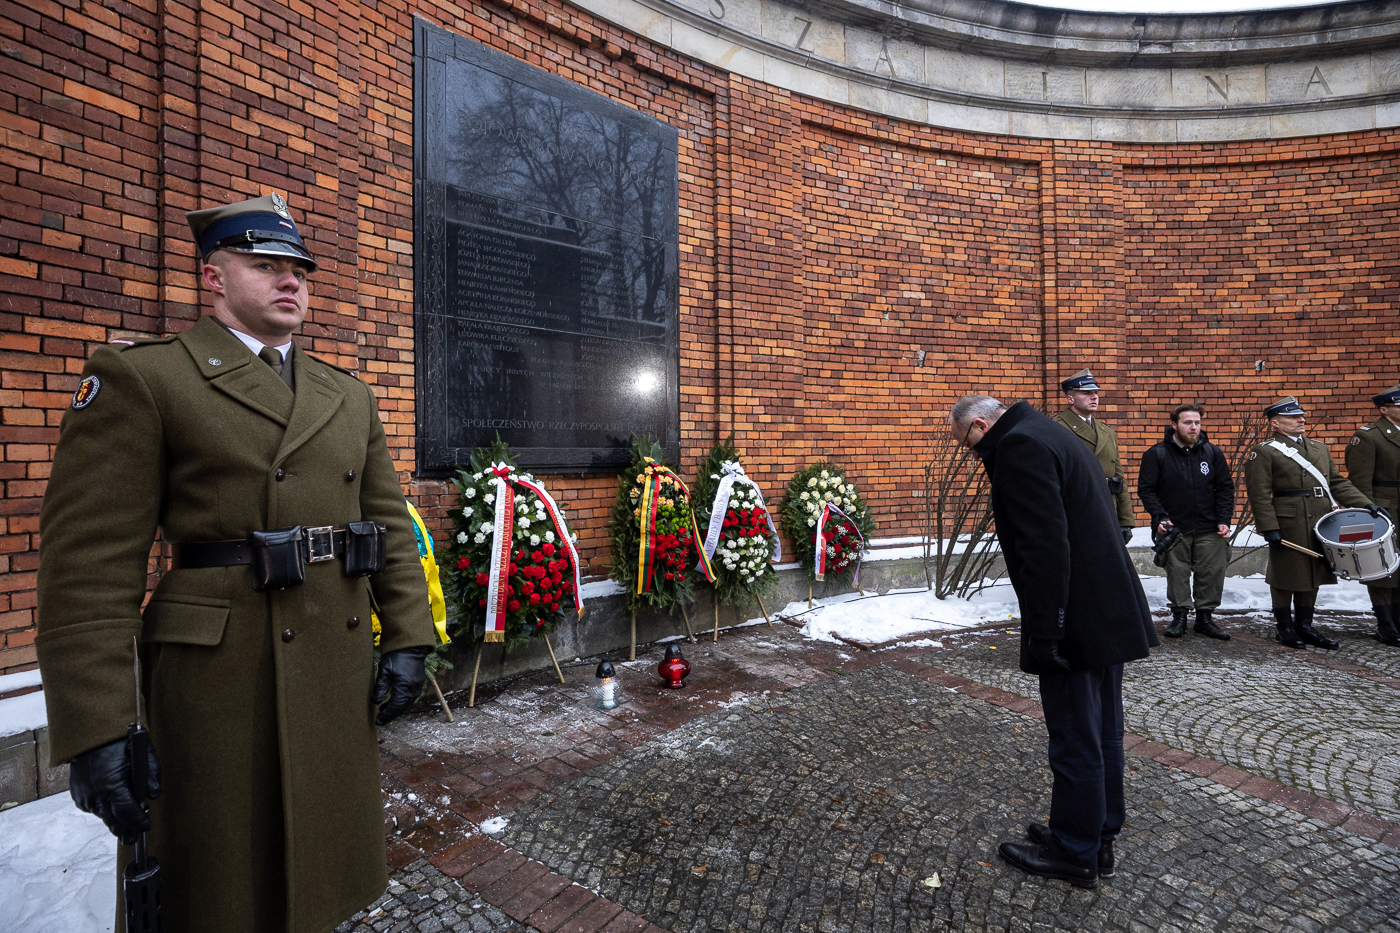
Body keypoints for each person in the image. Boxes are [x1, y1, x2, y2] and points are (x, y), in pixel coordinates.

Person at [35, 193, 437, 932]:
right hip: (219, 679)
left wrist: (410, 635)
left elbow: (385, 524)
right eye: (266, 265)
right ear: (213, 277)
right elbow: (89, 563)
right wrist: (96, 725)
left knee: (320, 870)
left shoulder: (346, 394)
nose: (292, 282)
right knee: (219, 883)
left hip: (331, 658)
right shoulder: (149, 377)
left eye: (300, 271)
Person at [951, 394, 1157, 890]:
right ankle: (1097, 833)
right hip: (1105, 609)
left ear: (980, 425)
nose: (972, 455)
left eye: (968, 444)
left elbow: (1044, 546)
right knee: (1103, 730)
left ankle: (1074, 851)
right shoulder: (1050, 432)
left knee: (1075, 736)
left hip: (1075, 619)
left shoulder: (1020, 447)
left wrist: (1046, 631)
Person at [1245, 396, 1379, 650]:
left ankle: (1305, 625)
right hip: (1288, 521)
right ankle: (1284, 626)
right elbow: (1259, 493)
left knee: (1314, 572)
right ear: (1275, 423)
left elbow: (1337, 483)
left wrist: (1365, 504)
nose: (1301, 420)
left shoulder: (1319, 448)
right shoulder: (1264, 451)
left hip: (1320, 518)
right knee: (1285, 574)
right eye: (1293, 417)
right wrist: (1268, 526)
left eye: (1301, 416)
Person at [1137, 404, 1235, 640]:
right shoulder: (1157, 454)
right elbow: (1147, 490)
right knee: (1177, 573)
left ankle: (1205, 618)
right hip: (1174, 528)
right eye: (1187, 422)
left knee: (1211, 573)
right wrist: (1160, 516)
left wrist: (1224, 519)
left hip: (1209, 526)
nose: (1193, 427)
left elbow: (1225, 488)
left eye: (1197, 423)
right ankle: (1179, 616)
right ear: (1174, 425)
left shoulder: (1212, 453)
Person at [1344, 383, 1400, 647]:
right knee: (1383, 567)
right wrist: (1368, 511)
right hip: (1384, 508)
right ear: (1384, 410)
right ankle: (1385, 624)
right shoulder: (1368, 437)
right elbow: (1360, 482)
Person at [1052, 370, 1136, 544]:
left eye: (1096, 392)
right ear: (1070, 399)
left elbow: (1118, 478)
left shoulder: (1107, 431)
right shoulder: (1057, 428)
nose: (1094, 397)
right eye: (1086, 393)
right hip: (1075, 513)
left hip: (1108, 511)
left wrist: (1125, 521)